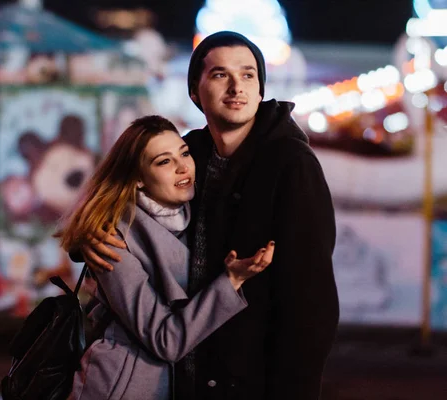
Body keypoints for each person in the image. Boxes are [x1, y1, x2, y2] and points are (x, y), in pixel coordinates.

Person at [79, 31, 340, 400]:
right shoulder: (193, 155)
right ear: (194, 91)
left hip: (252, 382)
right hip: (187, 377)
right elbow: (126, 195)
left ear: (261, 89)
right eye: (220, 75)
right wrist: (90, 236)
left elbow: (312, 303)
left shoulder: (291, 165)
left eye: (248, 75)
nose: (237, 87)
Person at [58, 115, 275, 399]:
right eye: (164, 161)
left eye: (184, 153)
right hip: (123, 388)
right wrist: (231, 281)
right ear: (137, 179)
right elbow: (166, 340)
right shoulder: (112, 238)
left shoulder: (197, 216)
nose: (183, 167)